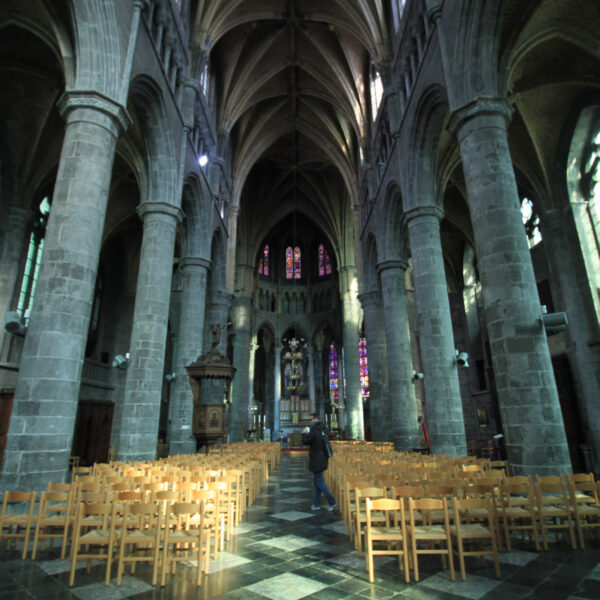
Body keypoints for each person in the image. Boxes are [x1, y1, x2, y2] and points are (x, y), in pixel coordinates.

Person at [301, 413, 337, 511]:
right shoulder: (324, 429)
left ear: (315, 419)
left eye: (311, 419)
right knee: (317, 481)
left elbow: (305, 441)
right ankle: (317, 504)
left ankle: (332, 502)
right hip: (323, 458)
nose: (310, 421)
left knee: (319, 481)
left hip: (317, 459)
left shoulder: (315, 431)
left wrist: (304, 433)